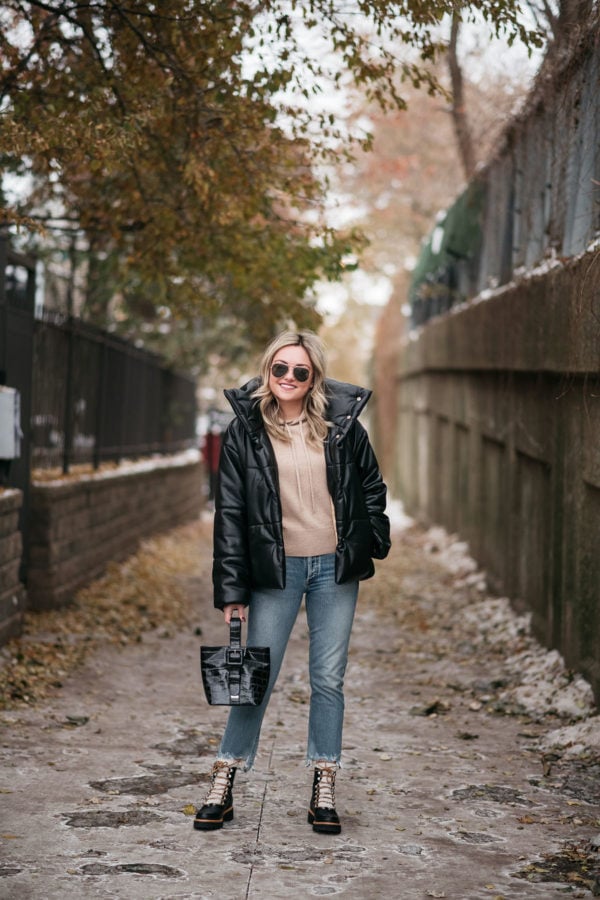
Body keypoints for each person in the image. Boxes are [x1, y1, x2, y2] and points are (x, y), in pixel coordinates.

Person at [194, 330, 390, 835]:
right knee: (255, 680)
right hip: (275, 573)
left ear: (313, 378)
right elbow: (231, 515)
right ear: (267, 370)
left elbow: (371, 485)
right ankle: (226, 775)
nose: (287, 378)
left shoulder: (342, 427)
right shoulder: (245, 431)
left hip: (334, 569)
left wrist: (371, 538)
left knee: (328, 679)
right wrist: (232, 592)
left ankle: (323, 781)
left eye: (299, 371)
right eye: (279, 368)